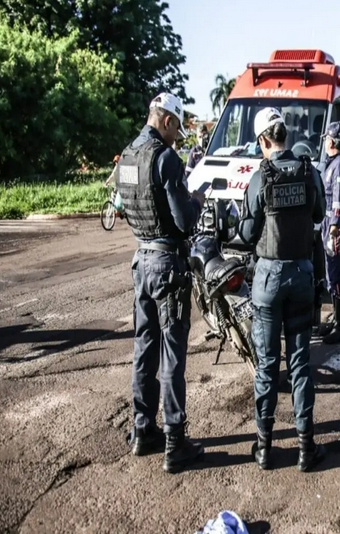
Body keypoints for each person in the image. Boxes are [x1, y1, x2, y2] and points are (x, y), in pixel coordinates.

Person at [116, 92, 206, 474]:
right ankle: (174, 441)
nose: (178, 138)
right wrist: (197, 200)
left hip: (141, 261)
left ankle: (142, 431)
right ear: (166, 120)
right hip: (168, 264)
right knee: (171, 354)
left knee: (144, 348)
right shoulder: (165, 158)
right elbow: (184, 220)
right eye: (177, 130)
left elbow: (123, 206)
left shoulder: (128, 156)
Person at [238, 107, 327, 472]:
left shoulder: (261, 177)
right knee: (301, 364)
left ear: (263, 141)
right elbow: (320, 215)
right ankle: (306, 449)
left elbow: (245, 234)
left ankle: (264, 448)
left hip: (269, 282)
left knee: (267, 367)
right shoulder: (310, 172)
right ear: (285, 136)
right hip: (302, 275)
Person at [317, 122, 340, 344]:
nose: (324, 143)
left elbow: (339, 200)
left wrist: (333, 230)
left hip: (334, 227)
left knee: (337, 276)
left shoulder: (338, 165)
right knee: (331, 275)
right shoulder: (332, 164)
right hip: (329, 223)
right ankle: (336, 322)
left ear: (331, 141)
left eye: (325, 140)